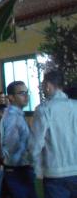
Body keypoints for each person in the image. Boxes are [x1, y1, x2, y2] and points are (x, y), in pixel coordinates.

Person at [29, 70, 77, 198]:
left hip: (54, 173)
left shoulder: (44, 110)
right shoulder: (75, 106)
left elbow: (36, 144)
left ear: (48, 86)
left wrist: (37, 169)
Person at [0, 81, 37, 198]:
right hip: (17, 170)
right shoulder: (12, 117)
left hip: (20, 169)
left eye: (27, 92)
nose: (26, 96)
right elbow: (11, 147)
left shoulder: (18, 115)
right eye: (21, 93)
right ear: (11, 97)